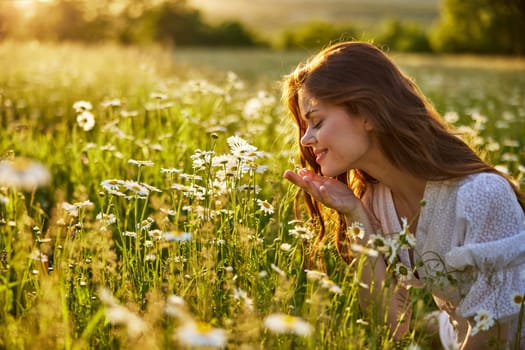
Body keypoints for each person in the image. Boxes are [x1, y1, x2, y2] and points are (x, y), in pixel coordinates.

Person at [282, 41, 525, 349]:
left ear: (368, 113)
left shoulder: (480, 195)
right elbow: (390, 328)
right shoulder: (378, 201)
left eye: (316, 121)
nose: (306, 139)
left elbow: (495, 330)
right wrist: (355, 214)